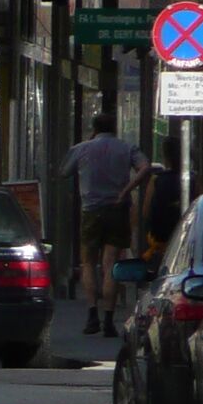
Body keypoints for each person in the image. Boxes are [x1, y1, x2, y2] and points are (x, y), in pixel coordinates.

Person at [63, 111, 145, 335]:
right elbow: (145, 167)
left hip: (91, 210)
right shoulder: (126, 148)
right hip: (117, 210)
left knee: (88, 262)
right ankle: (109, 320)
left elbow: (64, 171)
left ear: (95, 129)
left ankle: (92, 316)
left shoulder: (83, 148)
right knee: (111, 264)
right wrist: (127, 190)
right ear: (115, 128)